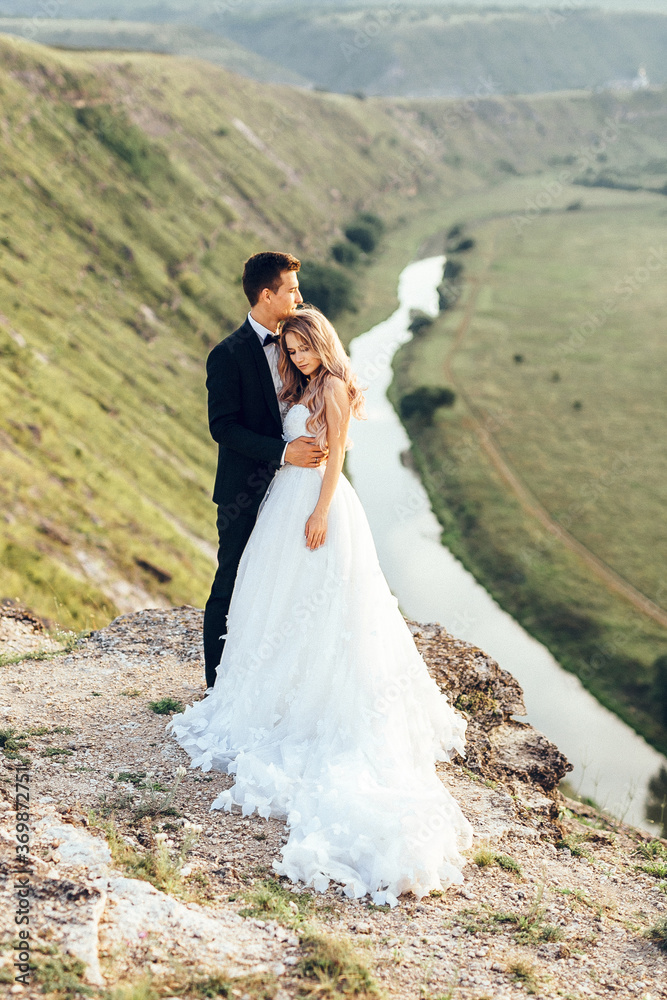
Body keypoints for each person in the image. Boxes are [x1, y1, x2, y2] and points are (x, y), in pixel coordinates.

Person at [170, 307, 473, 906]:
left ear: (323, 344)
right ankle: (272, 688)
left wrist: (318, 512)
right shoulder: (300, 383)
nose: (299, 356)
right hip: (284, 499)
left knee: (326, 605)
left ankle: (319, 697)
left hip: (317, 505)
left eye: (306, 346)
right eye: (292, 348)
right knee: (276, 601)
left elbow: (337, 457)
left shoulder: (331, 385)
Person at [203, 251, 325, 689]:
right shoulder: (227, 354)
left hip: (296, 491)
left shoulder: (300, 341)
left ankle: (271, 679)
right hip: (245, 492)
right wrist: (283, 452)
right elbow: (223, 427)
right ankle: (218, 684)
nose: (299, 295)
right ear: (267, 294)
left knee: (285, 582)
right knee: (232, 580)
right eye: (292, 289)